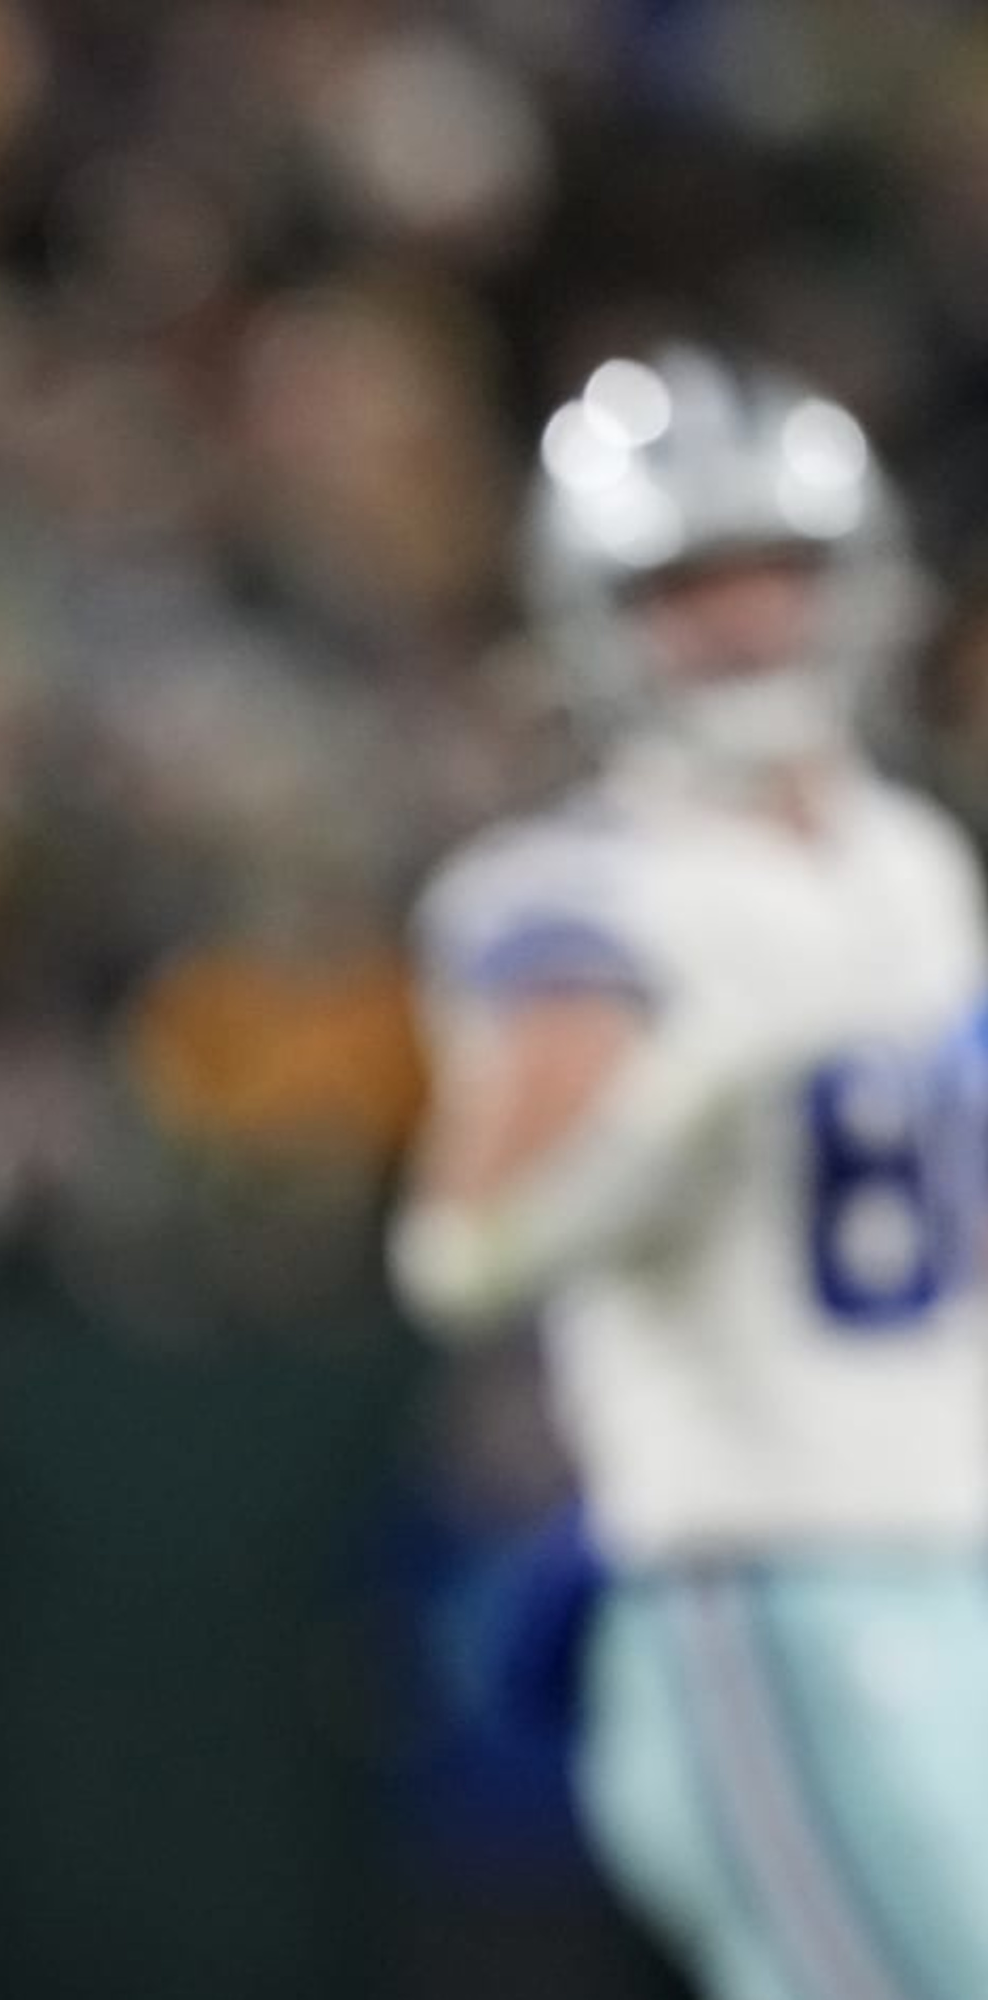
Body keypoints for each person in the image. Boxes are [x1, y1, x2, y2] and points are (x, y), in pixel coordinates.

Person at [391, 345, 988, 2000]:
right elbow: (461, 1251)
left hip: (955, 1553)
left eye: (779, 572)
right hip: (756, 1573)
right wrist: (694, 1096)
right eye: (687, 583)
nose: (742, 623)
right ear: (601, 615)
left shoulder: (914, 863)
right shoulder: (577, 893)